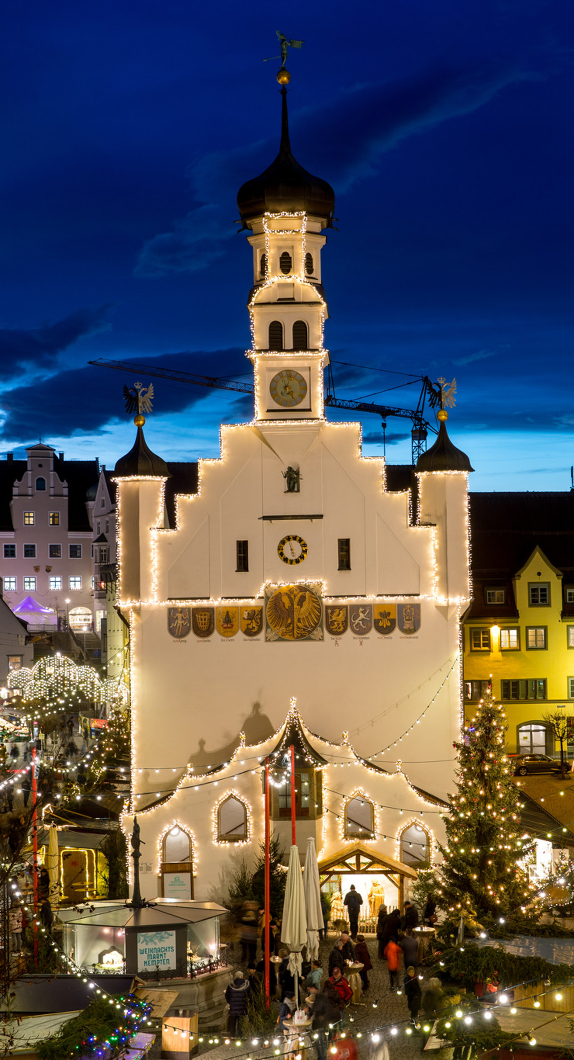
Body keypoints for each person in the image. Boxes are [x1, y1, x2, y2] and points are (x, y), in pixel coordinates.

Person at [312, 981, 341, 1060]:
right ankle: (333, 1050)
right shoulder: (335, 993)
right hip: (336, 1017)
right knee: (334, 1035)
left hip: (326, 1020)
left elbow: (321, 1007)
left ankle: (326, 1055)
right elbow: (339, 1002)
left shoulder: (323, 996)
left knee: (321, 1039)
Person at [225, 970, 251, 1035]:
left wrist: (230, 1002)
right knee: (240, 1023)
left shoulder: (231, 985)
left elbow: (226, 995)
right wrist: (248, 1004)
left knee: (232, 1023)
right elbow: (250, 995)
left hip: (233, 1008)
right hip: (242, 1008)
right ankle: (239, 1037)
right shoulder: (246, 985)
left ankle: (232, 1036)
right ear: (242, 977)